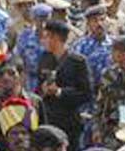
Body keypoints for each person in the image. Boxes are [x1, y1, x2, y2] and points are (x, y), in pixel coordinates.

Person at [36, 20, 92, 151]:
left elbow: (86, 94)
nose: (43, 40)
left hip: (69, 122)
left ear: (55, 38)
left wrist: (59, 92)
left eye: (46, 36)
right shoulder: (45, 58)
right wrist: (43, 90)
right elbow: (38, 87)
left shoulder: (78, 62)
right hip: (48, 119)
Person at [0, 58, 45, 151]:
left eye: (11, 73)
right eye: (2, 74)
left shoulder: (35, 102)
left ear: (22, 76)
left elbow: (43, 135)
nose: (6, 77)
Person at [69, 4, 113, 92]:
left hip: (110, 91)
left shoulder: (115, 44)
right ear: (88, 23)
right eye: (95, 21)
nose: (99, 24)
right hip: (88, 91)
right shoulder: (80, 45)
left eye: (102, 19)